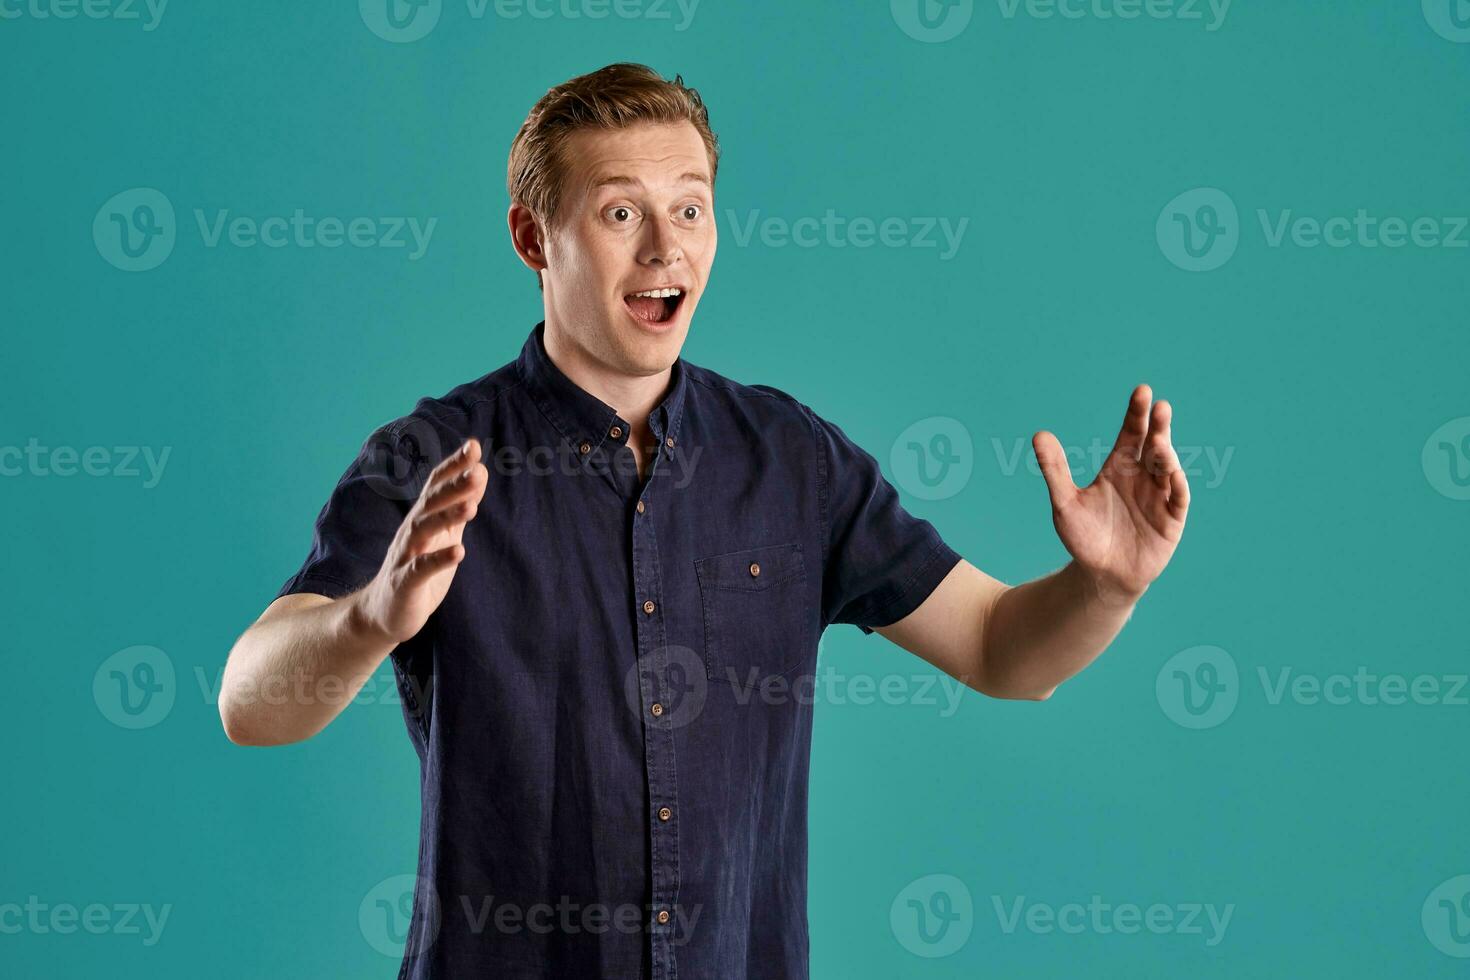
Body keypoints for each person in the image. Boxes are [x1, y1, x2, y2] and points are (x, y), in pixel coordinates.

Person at [219, 62, 1190, 980]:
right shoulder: (431, 459)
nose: (665, 247)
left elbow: (999, 647)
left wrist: (1104, 586)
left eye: (689, 207)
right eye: (619, 212)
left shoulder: (793, 458)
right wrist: (371, 616)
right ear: (532, 237)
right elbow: (250, 703)